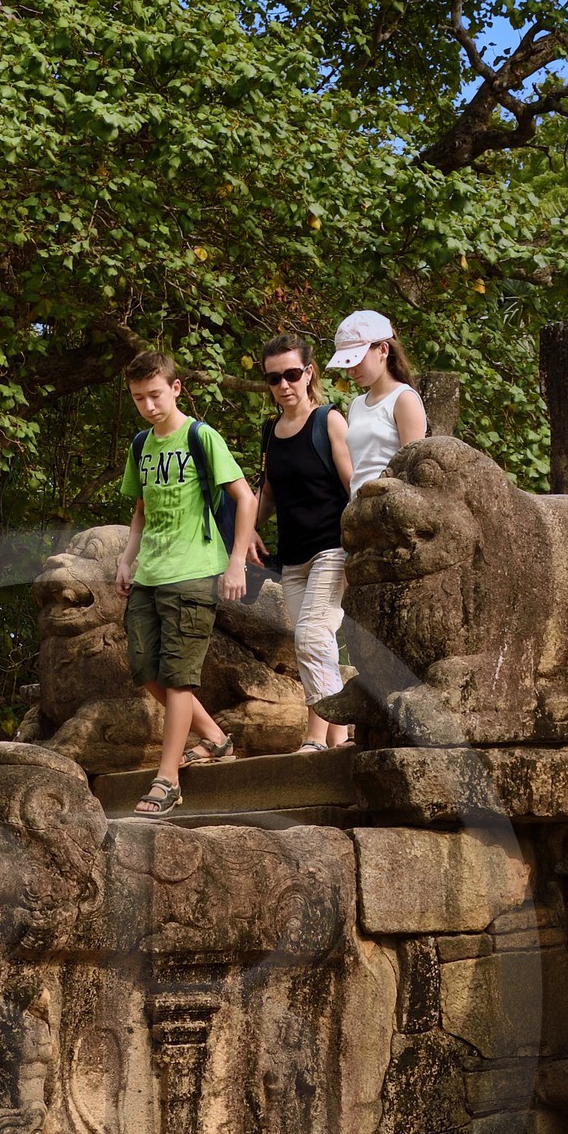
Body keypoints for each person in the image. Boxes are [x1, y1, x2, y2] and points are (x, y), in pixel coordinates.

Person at [115, 350, 256, 818]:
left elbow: (245, 498)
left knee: (179, 677)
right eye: (139, 398)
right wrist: (126, 559)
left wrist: (235, 562)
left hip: (195, 572)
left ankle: (167, 779)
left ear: (175, 388)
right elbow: (140, 509)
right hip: (150, 574)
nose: (149, 406)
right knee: (144, 667)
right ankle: (215, 737)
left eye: (155, 395)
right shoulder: (140, 445)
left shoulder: (200, 435)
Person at [252, 332, 353, 752]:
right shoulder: (271, 432)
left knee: (311, 636)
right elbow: (269, 492)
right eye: (274, 379)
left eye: (292, 374)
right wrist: (247, 532)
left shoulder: (328, 419)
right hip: (292, 559)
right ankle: (339, 737)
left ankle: (320, 735)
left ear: (308, 373)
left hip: (333, 548)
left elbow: (353, 485)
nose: (284, 385)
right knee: (311, 642)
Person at [329, 308, 427, 487]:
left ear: (383, 349)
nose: (350, 371)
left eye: (356, 359)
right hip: (357, 508)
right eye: (346, 362)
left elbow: (412, 470)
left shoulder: (404, 399)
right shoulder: (355, 405)